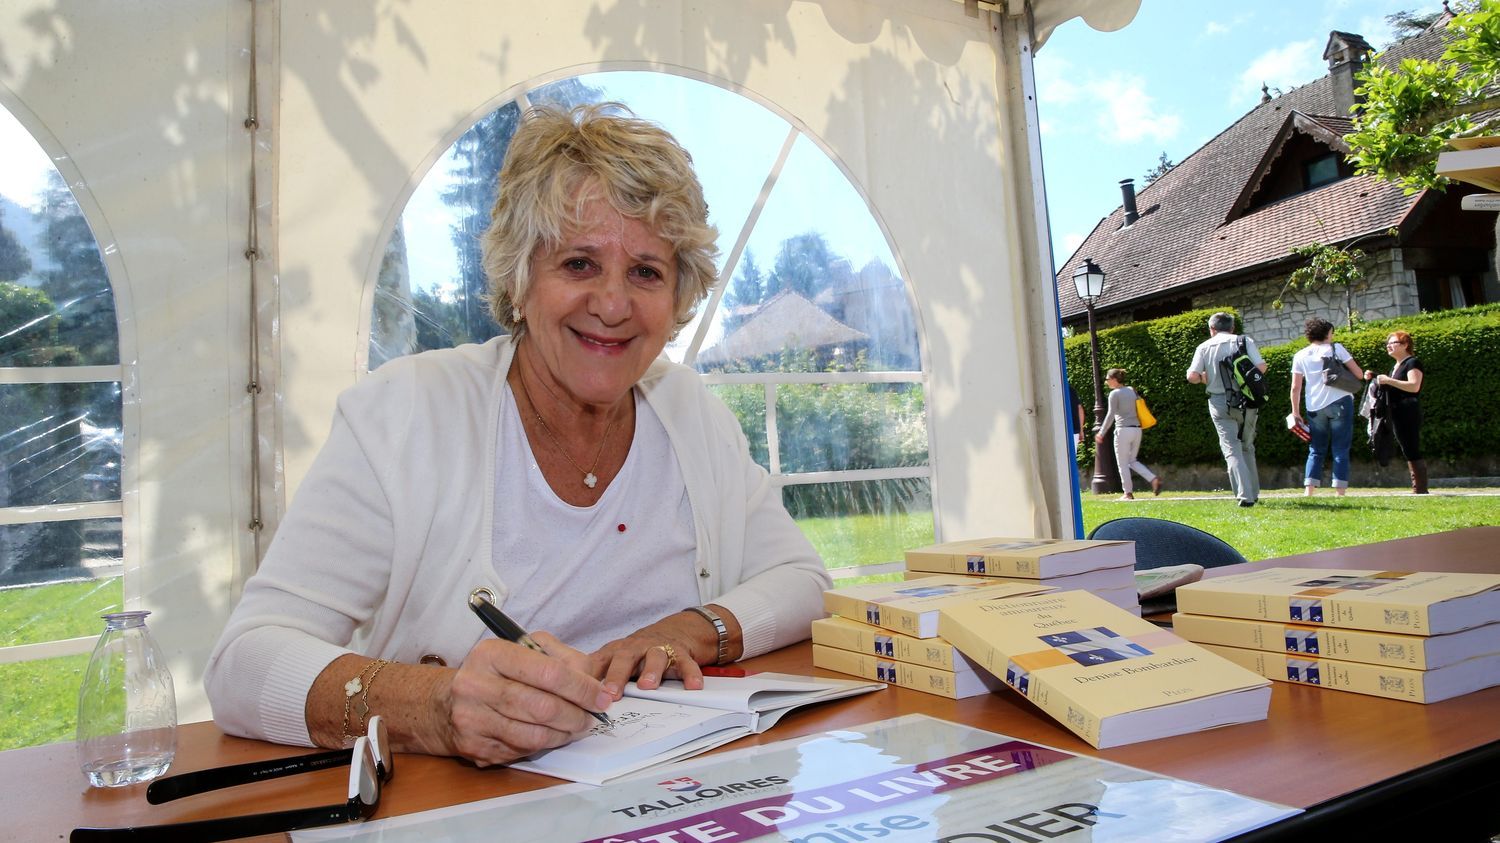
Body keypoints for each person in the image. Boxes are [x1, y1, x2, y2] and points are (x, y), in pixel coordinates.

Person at [204, 104, 832, 766]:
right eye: (580, 263)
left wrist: (695, 627)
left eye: (646, 271)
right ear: (519, 276)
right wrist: (434, 705)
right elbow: (243, 663)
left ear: (677, 296)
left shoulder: (690, 412)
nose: (613, 304)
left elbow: (804, 580)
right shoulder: (405, 414)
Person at [1186, 312, 1267, 507]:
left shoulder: (1204, 347)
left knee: (1232, 448)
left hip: (1220, 402)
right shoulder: (1243, 341)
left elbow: (1192, 376)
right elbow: (1261, 367)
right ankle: (1254, 493)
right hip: (1247, 400)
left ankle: (1244, 496)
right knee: (1247, 446)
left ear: (1211, 329)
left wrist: (1206, 378)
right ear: (1232, 328)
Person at [1289, 318, 1363, 497]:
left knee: (1316, 448)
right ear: (1327, 333)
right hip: (1340, 401)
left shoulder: (1300, 355)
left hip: (1314, 406)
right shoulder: (1336, 349)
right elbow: (1359, 374)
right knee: (1340, 447)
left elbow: (1295, 387)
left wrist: (1295, 412)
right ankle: (1340, 490)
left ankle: (1309, 490)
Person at [1367, 330, 1426, 494]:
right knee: (1406, 445)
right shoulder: (1396, 366)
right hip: (1397, 410)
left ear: (1405, 345)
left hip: (1408, 409)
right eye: (1388, 343)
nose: (1389, 346)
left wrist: (1388, 380)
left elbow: (1414, 386)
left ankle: (1420, 488)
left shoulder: (1412, 362)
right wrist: (1375, 377)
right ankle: (1418, 487)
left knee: (1410, 446)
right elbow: (1394, 385)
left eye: (1393, 343)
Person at [1095, 368, 1163, 500]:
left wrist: (1101, 432)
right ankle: (1153, 479)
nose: (1106, 382)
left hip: (1123, 430)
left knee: (1123, 463)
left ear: (1114, 380)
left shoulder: (1114, 394)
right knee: (1132, 460)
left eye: (1108, 379)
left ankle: (1128, 493)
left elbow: (1110, 415)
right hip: (1137, 429)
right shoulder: (1132, 390)